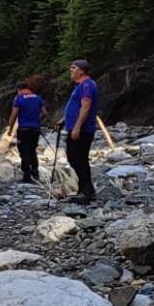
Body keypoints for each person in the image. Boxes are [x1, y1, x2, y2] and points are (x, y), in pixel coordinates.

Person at [61, 59, 99, 204]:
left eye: (73, 68)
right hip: (75, 127)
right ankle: (83, 189)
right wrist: (64, 119)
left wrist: (77, 127)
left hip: (83, 129)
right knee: (75, 158)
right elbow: (76, 106)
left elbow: (85, 107)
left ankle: (87, 192)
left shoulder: (87, 85)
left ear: (81, 71)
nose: (71, 70)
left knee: (78, 159)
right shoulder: (80, 86)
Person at [7, 80, 46, 184]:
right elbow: (44, 112)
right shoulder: (37, 98)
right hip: (35, 129)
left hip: (23, 129)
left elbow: (14, 115)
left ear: (18, 89)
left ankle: (26, 175)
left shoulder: (18, 98)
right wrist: (37, 119)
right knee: (33, 150)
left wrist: (10, 129)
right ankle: (35, 172)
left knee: (24, 152)